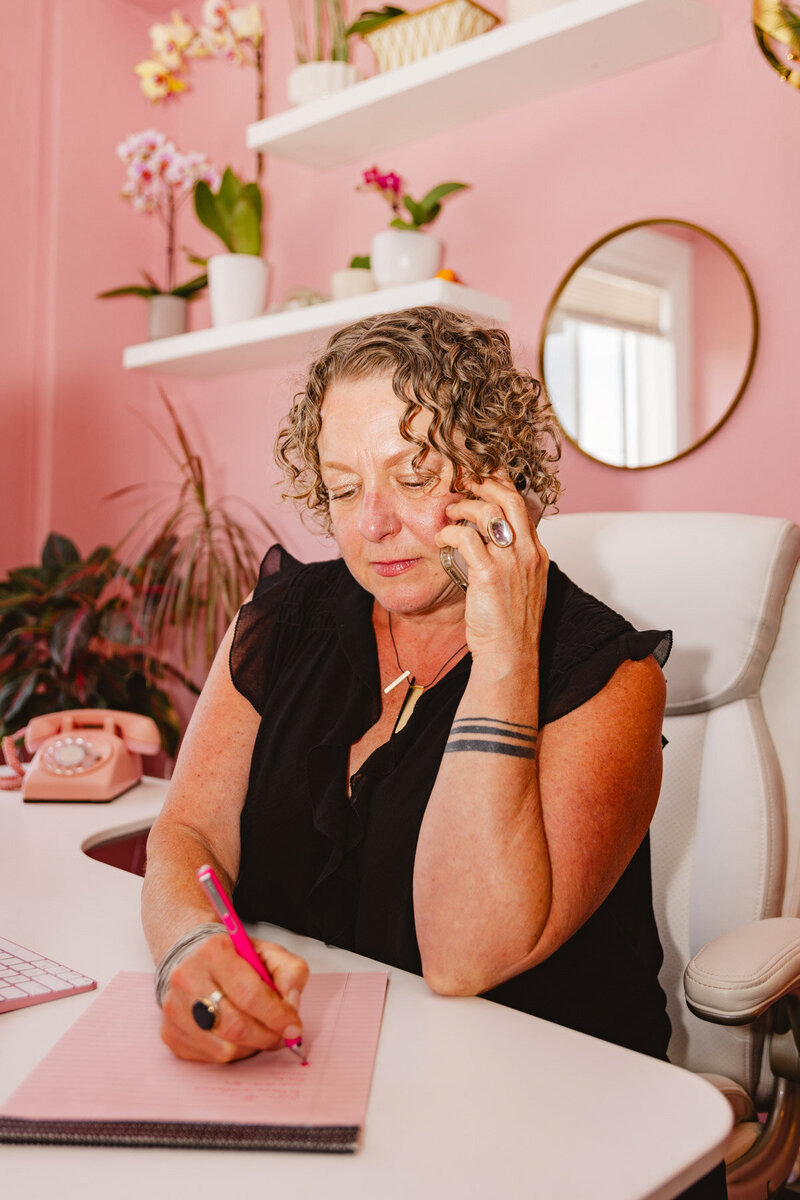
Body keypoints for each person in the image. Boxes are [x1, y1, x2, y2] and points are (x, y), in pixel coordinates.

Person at [142, 306, 728, 1196]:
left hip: (554, 1135)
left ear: (498, 477)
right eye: (342, 489)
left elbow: (462, 957)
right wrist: (187, 953)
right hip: (324, 1099)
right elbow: (188, 833)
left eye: (414, 477)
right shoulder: (286, 619)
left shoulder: (603, 675)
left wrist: (503, 654)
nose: (371, 525)